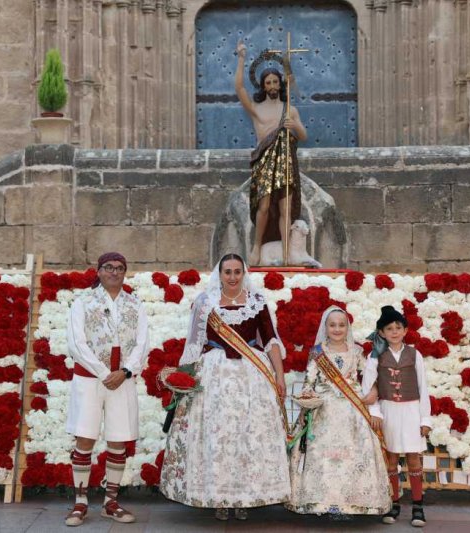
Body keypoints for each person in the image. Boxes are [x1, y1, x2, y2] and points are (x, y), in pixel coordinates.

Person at [160, 253, 290, 521]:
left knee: (249, 434)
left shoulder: (256, 302)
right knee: (217, 434)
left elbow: (270, 341)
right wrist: (184, 379)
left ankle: (245, 498)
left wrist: (280, 375)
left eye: (237, 272)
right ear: (219, 274)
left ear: (244, 273)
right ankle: (218, 497)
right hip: (214, 375)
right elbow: (194, 344)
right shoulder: (205, 302)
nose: (232, 277)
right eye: (227, 272)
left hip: (252, 376)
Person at [64, 252, 149, 526]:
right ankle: (80, 503)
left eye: (120, 268)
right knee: (85, 438)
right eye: (109, 267)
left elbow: (142, 343)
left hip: (122, 379)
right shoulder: (83, 302)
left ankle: (110, 503)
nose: (114, 272)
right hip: (90, 379)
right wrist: (103, 373)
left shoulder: (135, 304)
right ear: (99, 271)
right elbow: (76, 344)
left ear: (125, 272)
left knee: (118, 439)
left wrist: (124, 371)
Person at [287, 306, 392, 517]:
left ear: (348, 327)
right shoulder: (317, 352)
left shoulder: (357, 351)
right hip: (324, 409)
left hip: (352, 410)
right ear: (325, 327)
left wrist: (373, 391)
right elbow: (309, 383)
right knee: (323, 457)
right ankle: (321, 502)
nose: (337, 329)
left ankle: (352, 502)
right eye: (332, 325)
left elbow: (370, 376)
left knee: (352, 455)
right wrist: (308, 400)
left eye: (341, 325)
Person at [235, 41, 308, 266]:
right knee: (264, 206)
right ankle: (257, 246)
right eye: (268, 82)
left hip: (285, 162)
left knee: (286, 207)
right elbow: (239, 89)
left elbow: (303, 135)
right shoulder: (256, 109)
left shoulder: (290, 110)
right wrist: (241, 59)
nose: (273, 85)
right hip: (265, 161)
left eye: (276, 81)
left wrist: (293, 126)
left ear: (280, 83)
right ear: (263, 86)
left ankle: (286, 252)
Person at [362, 305, 432, 528]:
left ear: (405, 330)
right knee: (391, 458)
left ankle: (418, 505)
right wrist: (375, 412)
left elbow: (423, 387)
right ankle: (394, 503)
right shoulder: (375, 356)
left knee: (413, 458)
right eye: (389, 328)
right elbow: (368, 386)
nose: (394, 332)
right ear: (381, 333)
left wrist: (425, 419)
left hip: (411, 410)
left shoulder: (414, 354)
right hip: (388, 410)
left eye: (398, 327)